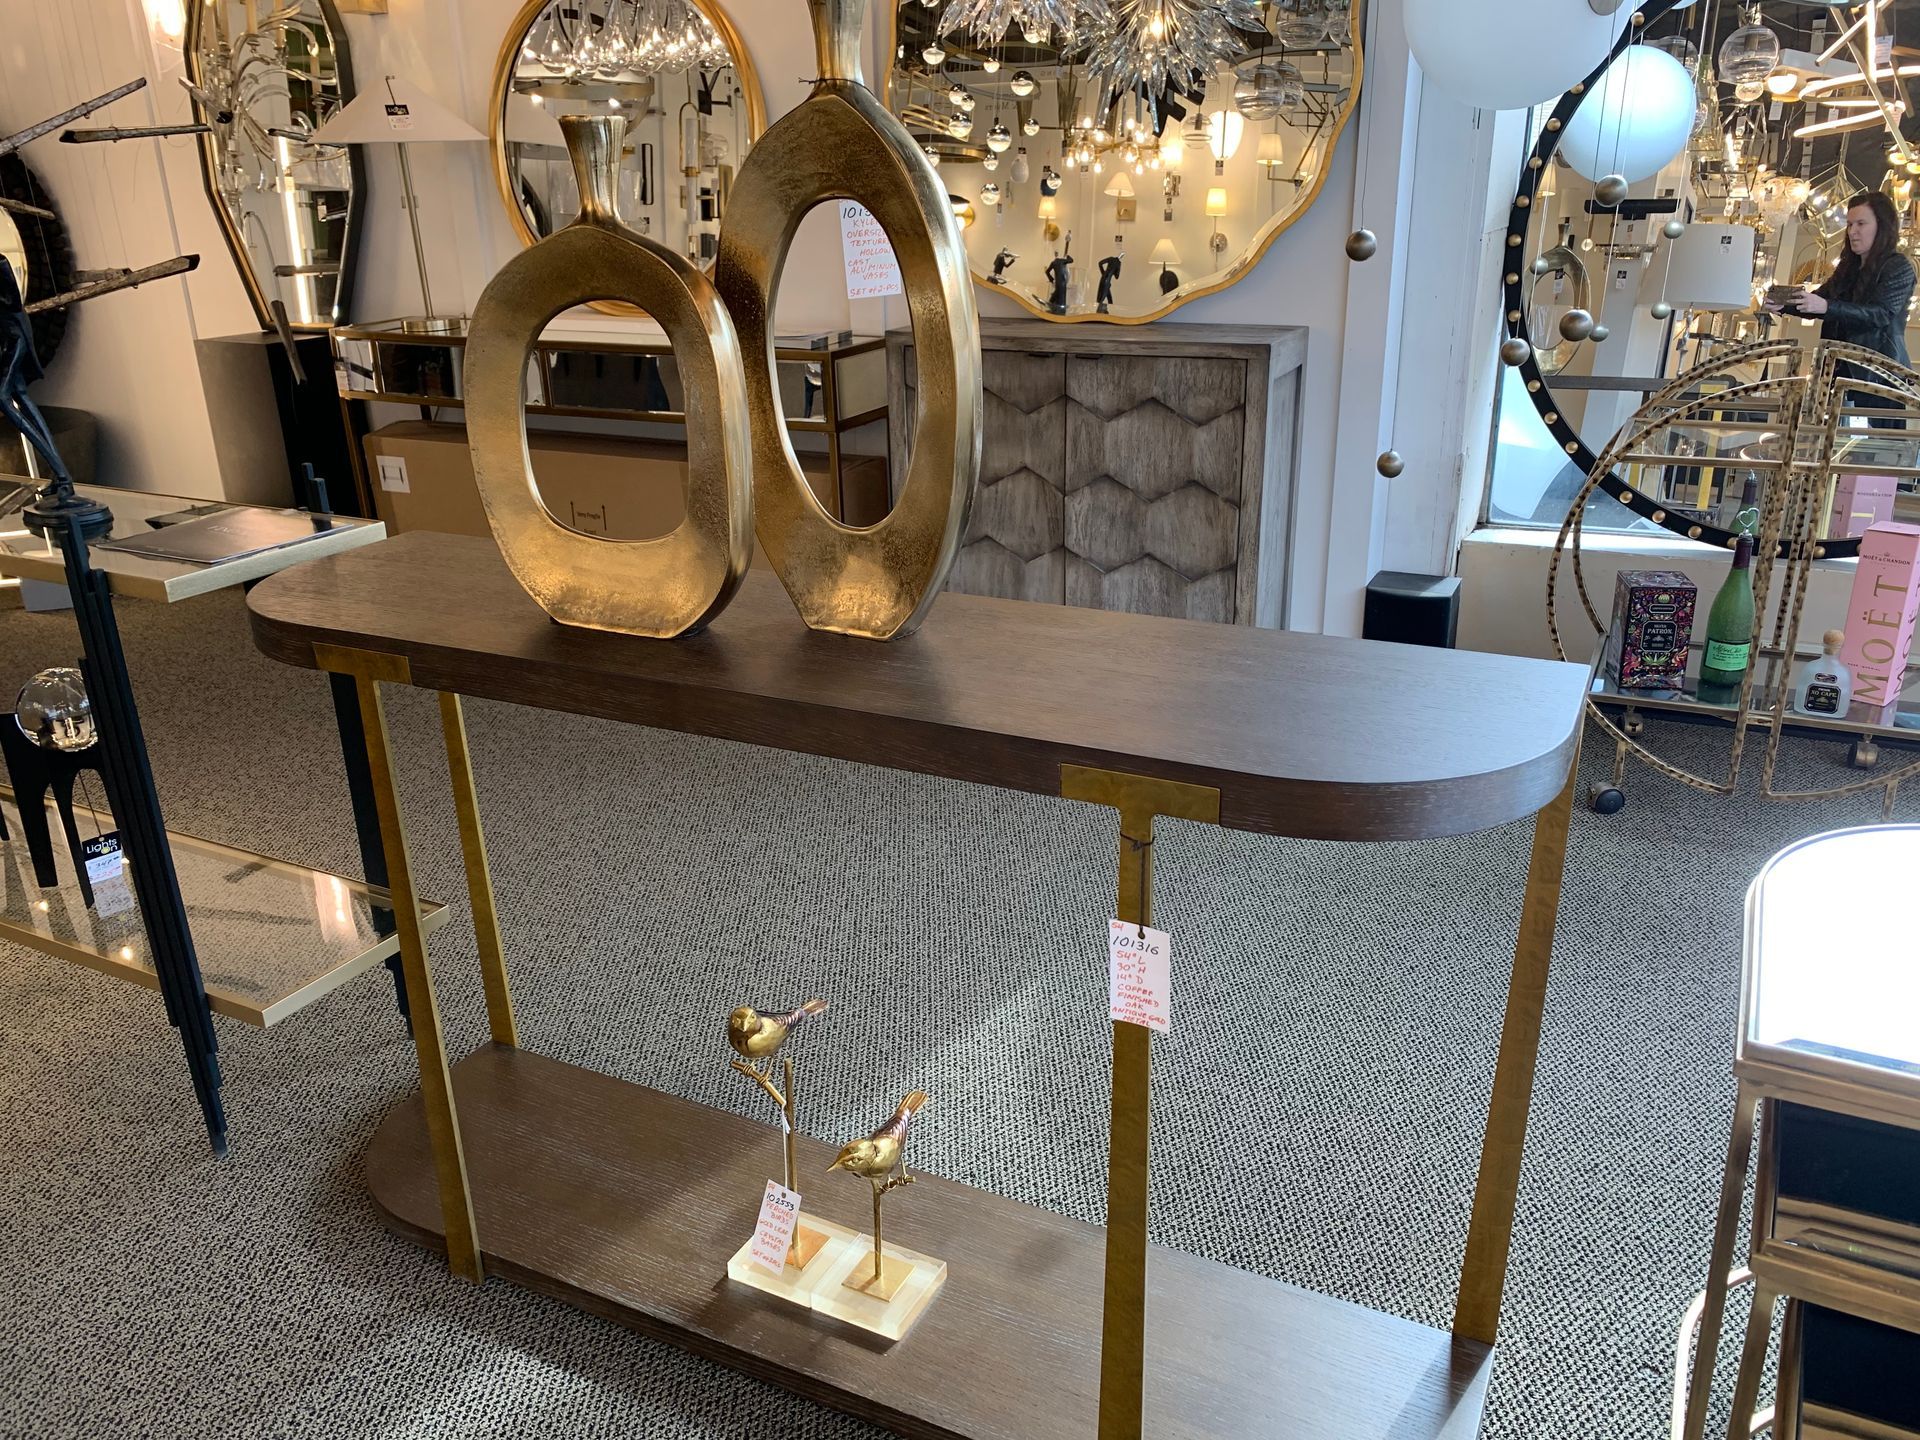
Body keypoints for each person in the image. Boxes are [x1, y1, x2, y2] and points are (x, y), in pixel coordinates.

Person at [1765, 189, 1916, 428]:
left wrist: (1825, 306)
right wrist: (1786, 305)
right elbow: (1819, 302)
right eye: (1849, 224)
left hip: (1878, 378)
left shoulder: (1898, 267)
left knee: (1874, 452)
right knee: (1831, 446)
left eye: (1861, 224)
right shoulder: (1848, 268)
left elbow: (1880, 314)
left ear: (1882, 226)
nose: (1852, 231)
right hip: (1837, 373)